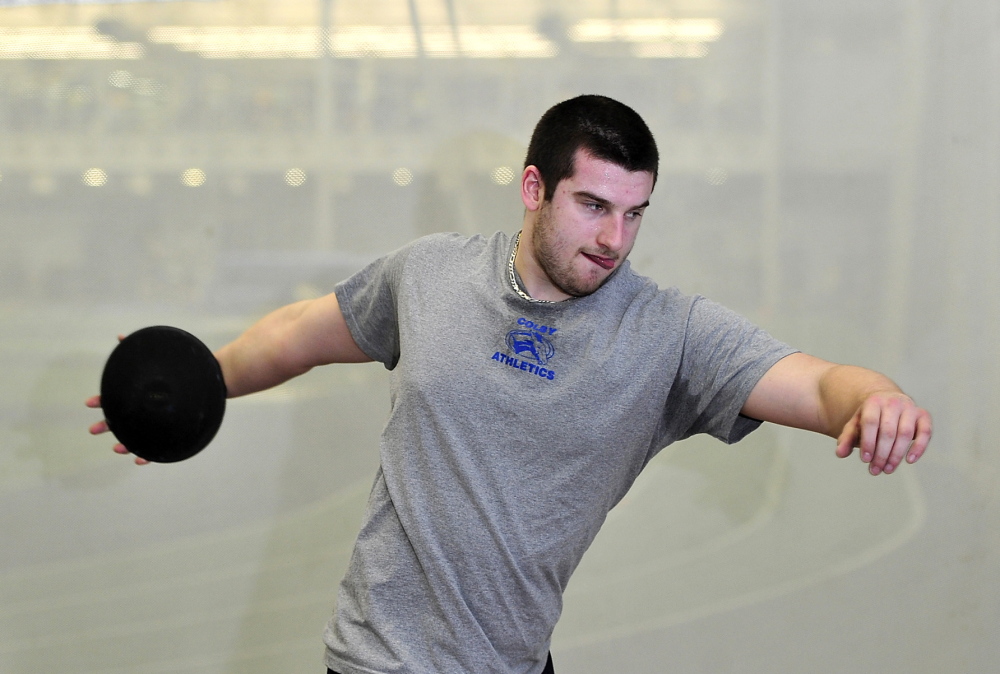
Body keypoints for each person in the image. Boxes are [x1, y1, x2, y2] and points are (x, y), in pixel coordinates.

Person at [88, 95, 932, 674]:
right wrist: (195, 380)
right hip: (376, 658)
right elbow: (302, 333)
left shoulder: (669, 334)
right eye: (593, 205)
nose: (614, 239)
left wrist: (873, 398)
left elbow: (820, 383)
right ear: (534, 188)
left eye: (635, 213)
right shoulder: (428, 277)